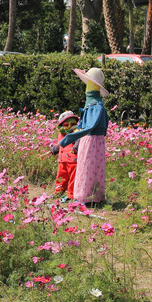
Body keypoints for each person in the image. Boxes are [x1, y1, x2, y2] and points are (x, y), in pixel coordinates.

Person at [59, 68, 110, 206]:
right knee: (92, 166)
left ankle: (85, 196)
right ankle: (93, 196)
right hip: (96, 140)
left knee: (87, 166)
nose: (87, 87)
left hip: (91, 140)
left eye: (89, 83)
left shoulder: (96, 106)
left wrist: (69, 138)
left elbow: (89, 126)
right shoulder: (95, 105)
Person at [44, 111, 79, 202]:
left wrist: (75, 148)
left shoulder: (76, 133)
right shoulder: (61, 135)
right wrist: (50, 152)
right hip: (62, 160)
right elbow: (59, 146)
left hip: (73, 160)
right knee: (61, 177)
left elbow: (79, 141)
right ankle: (58, 192)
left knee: (73, 179)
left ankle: (71, 195)